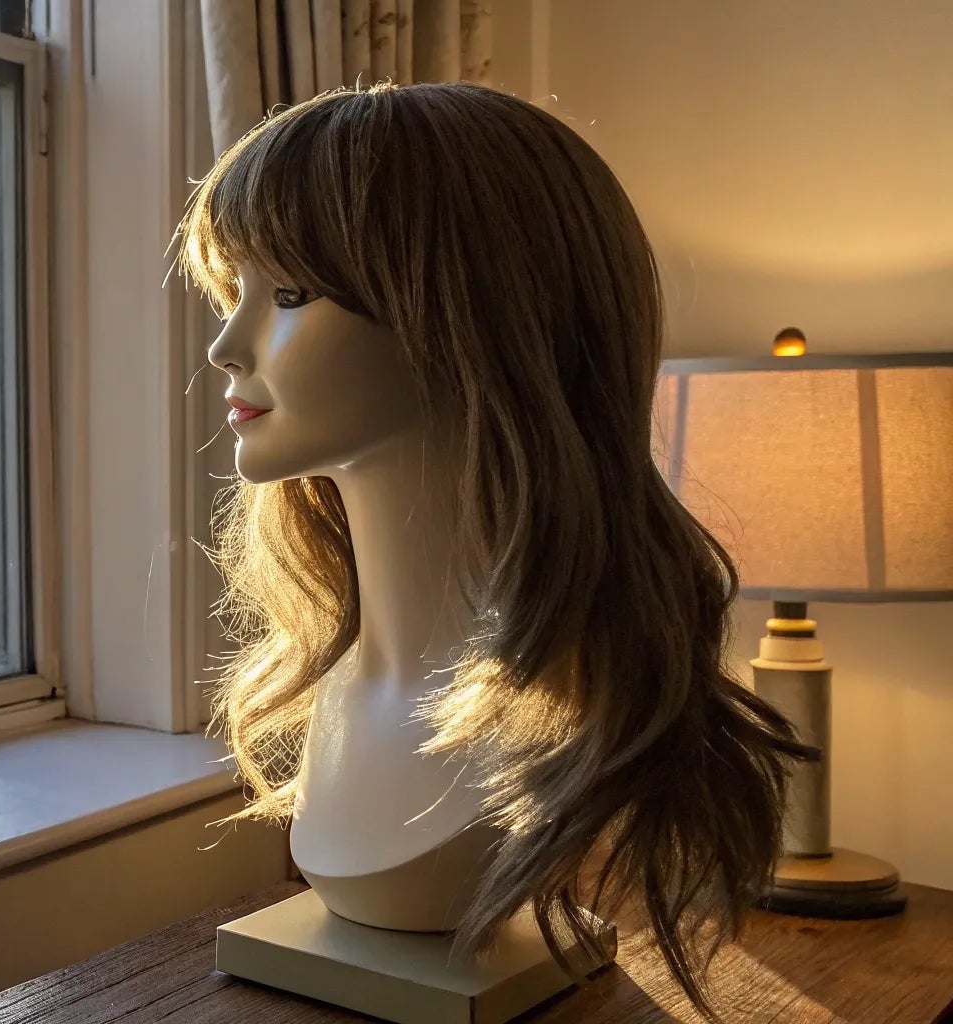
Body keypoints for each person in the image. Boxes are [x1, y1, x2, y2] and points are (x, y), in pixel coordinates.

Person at [178, 81, 810, 1017]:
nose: (227, 345)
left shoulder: (551, 705)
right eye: (239, 292)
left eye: (292, 292)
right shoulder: (339, 690)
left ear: (473, 314)